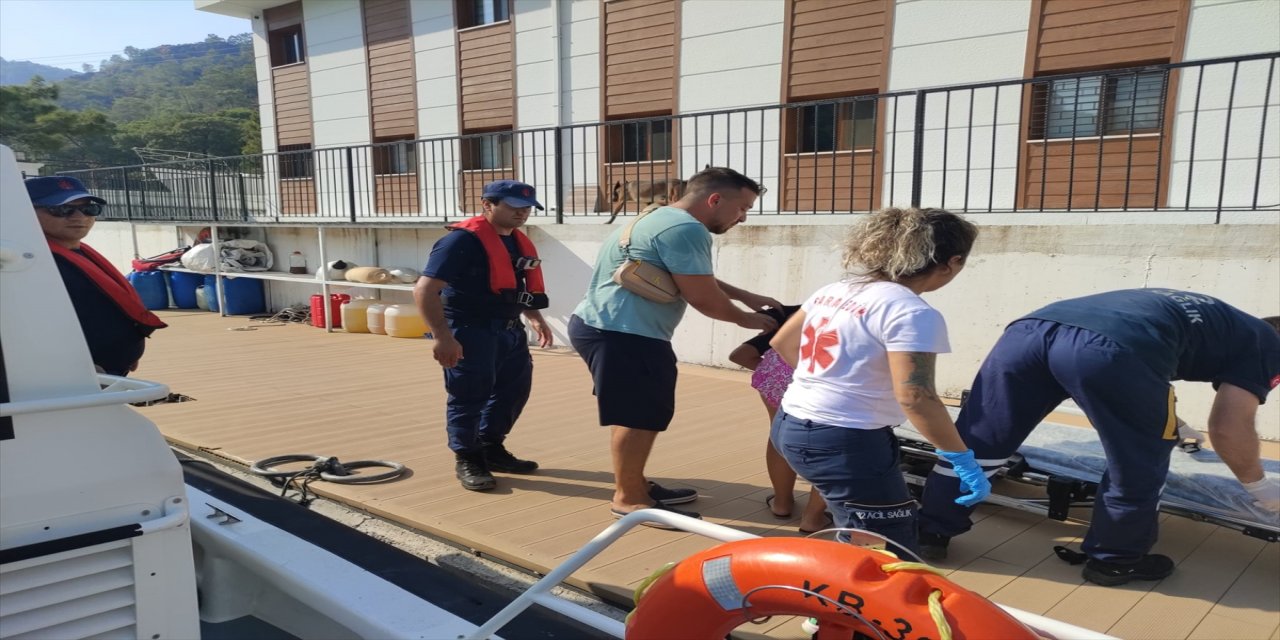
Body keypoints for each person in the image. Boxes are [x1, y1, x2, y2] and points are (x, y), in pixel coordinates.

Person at [918, 289, 1280, 586]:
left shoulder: (1220, 318)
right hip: (1110, 349)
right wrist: (1259, 489)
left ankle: (929, 532)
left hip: (1029, 330)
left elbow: (1137, 362)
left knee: (979, 441)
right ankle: (1115, 560)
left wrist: (1173, 420)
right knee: (1139, 458)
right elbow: (1228, 428)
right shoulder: (1268, 346)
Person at [768, 207, 989, 557]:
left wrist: (829, 381)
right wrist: (961, 458)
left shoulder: (836, 289)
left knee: (861, 535)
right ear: (951, 262)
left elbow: (782, 342)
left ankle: (833, 605)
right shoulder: (911, 311)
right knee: (886, 549)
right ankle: (835, 609)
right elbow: (916, 396)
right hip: (844, 440)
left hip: (790, 424)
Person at [569, 166, 781, 526]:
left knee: (637, 412)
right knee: (638, 417)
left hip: (604, 324)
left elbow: (690, 273)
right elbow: (704, 299)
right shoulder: (686, 229)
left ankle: (633, 482)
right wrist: (751, 321)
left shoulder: (659, 216)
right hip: (626, 332)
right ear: (714, 199)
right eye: (742, 208)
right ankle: (629, 499)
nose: (742, 218)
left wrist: (746, 296)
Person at [413, 180, 554, 492]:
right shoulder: (460, 243)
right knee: (469, 395)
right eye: (514, 206)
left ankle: (490, 446)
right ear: (487, 205)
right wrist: (443, 337)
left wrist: (534, 317)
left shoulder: (517, 242)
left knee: (513, 392)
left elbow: (517, 287)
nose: (523, 213)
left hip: (509, 330)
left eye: (527, 207)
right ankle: (467, 456)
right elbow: (424, 290)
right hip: (469, 331)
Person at [27, 176, 167, 376]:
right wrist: (67, 368)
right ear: (26, 212)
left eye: (88, 209)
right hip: (68, 380)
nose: (79, 217)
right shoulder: (27, 264)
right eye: (62, 209)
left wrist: (127, 350)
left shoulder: (78, 253)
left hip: (107, 375)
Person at [728, 305, 831, 534]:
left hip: (779, 371)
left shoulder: (800, 309)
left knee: (778, 433)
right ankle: (813, 518)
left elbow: (739, 355)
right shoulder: (878, 312)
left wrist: (775, 374)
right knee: (831, 445)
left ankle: (782, 503)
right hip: (826, 377)